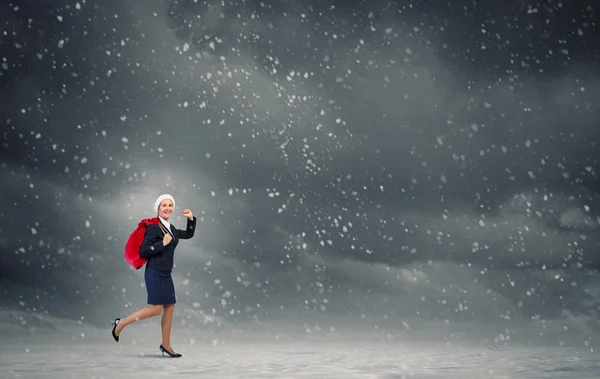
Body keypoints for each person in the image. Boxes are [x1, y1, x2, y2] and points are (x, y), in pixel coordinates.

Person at [111, 194, 197, 358]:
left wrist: (191, 218)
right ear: (158, 209)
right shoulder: (154, 228)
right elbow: (144, 250)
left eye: (170, 205)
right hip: (154, 272)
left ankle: (166, 345)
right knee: (156, 310)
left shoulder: (171, 229)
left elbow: (188, 234)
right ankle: (120, 323)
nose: (167, 208)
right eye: (164, 205)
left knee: (170, 307)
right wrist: (161, 244)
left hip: (166, 273)